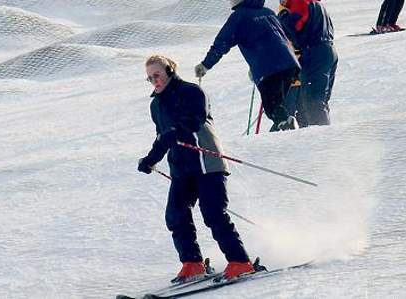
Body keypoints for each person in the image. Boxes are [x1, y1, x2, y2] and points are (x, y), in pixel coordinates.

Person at [137, 55, 255, 282]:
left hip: (206, 161)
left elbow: (196, 118)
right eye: (150, 78)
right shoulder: (156, 105)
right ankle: (192, 264)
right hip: (181, 168)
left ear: (170, 70)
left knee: (213, 213)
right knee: (175, 215)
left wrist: (176, 131)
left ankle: (240, 262)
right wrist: (150, 159)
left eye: (157, 75)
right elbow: (162, 137)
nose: (154, 81)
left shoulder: (192, 92)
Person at [193, 0, 301, 132]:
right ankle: (287, 125)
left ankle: (287, 126)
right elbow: (277, 38)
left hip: (270, 68)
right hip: (290, 64)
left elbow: (222, 42)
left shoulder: (239, 16)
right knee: (277, 102)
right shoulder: (269, 13)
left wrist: (205, 65)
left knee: (273, 106)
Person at [277, 0, 337, 127]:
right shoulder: (315, 3)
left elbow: (295, 25)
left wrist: (282, 17)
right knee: (318, 98)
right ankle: (319, 130)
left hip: (314, 51)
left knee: (312, 99)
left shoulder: (299, 1)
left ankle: (321, 133)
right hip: (327, 50)